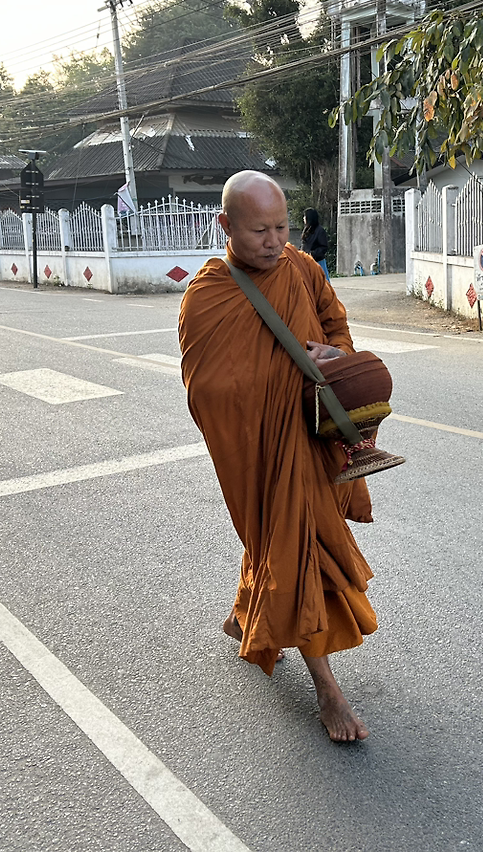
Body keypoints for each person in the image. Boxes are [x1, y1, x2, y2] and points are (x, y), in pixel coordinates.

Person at [178, 170, 377, 743]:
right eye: (259, 230)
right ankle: (327, 690)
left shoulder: (303, 269)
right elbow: (205, 387)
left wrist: (332, 353)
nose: (274, 241)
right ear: (226, 226)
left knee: (284, 540)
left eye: (282, 227)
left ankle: (245, 614)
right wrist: (275, 385)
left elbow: (337, 326)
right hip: (258, 446)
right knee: (290, 544)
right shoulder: (207, 297)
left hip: (309, 440)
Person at [300, 207, 331, 282]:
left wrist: (313, 254)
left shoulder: (320, 230)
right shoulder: (306, 230)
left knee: (323, 283)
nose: (303, 218)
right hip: (306, 261)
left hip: (318, 262)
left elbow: (324, 247)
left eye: (305, 216)